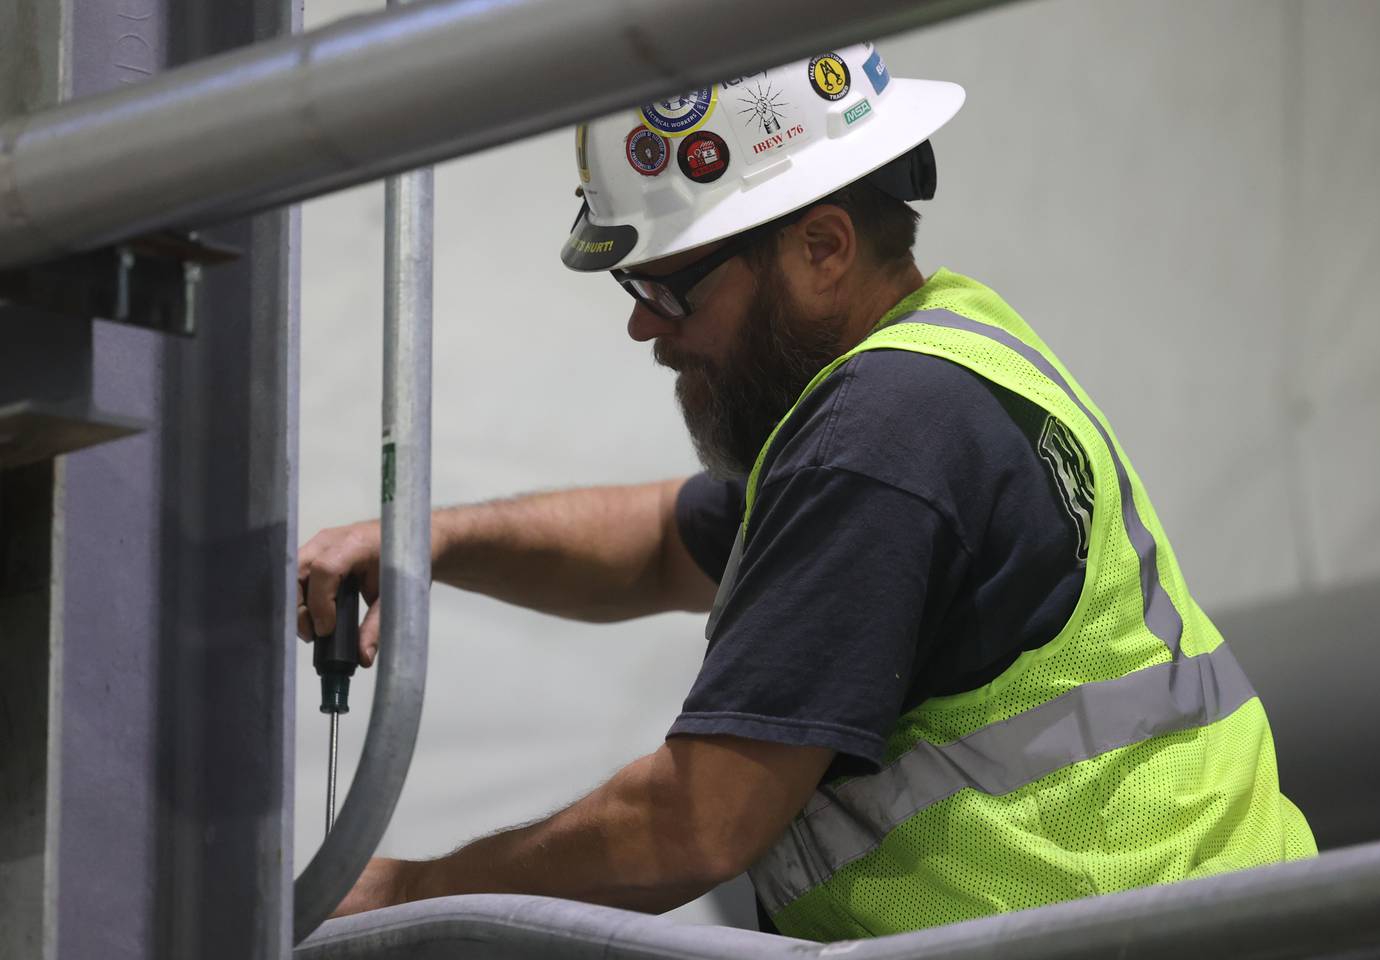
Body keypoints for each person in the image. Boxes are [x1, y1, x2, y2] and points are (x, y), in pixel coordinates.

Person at [298, 44, 1316, 941]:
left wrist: (407, 893)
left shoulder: (885, 430)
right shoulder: (940, 356)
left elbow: (696, 823)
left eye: (668, 290)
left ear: (821, 248)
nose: (644, 329)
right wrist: (427, 542)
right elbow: (665, 541)